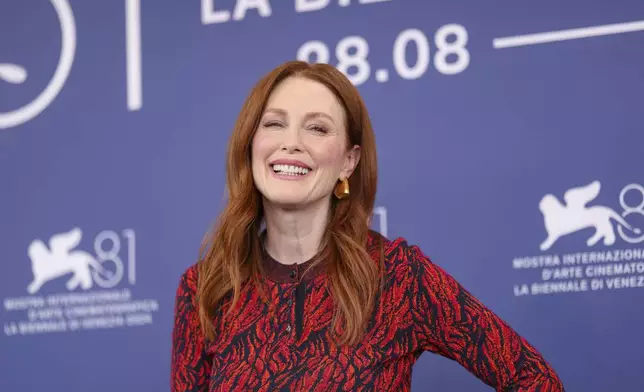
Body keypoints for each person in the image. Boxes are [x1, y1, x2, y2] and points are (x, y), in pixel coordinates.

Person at [171, 60, 565, 391]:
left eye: (317, 128)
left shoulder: (397, 275)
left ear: (348, 161)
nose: (290, 143)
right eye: (274, 124)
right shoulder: (204, 289)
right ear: (249, 144)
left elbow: (534, 379)